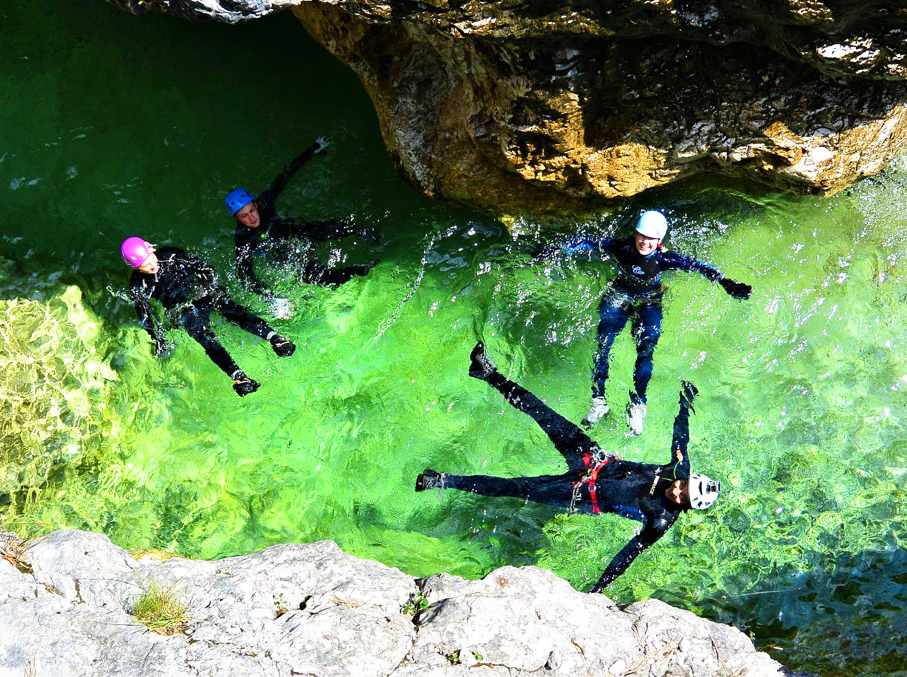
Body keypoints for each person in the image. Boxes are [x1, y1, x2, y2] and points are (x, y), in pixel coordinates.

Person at [416, 342, 720, 591]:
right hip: (595, 460)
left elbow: (627, 555)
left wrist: (598, 590)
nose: (678, 490)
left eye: (685, 498)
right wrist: (685, 403)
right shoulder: (677, 470)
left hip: (579, 493)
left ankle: (442, 481)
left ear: (688, 507)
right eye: (685, 486)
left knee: (515, 487)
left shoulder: (660, 521)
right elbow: (681, 436)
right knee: (545, 415)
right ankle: (488, 373)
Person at [560, 210, 752, 435]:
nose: (644, 241)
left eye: (651, 238)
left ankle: (638, 403)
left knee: (646, 347)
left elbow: (699, 266)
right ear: (634, 233)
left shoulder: (664, 259)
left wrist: (725, 282)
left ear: (660, 241)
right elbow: (590, 243)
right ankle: (598, 400)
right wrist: (558, 249)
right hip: (620, 293)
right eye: (641, 235)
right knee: (604, 343)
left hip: (649, 300)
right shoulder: (623, 248)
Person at [121, 237, 296, 397]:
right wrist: (158, 339)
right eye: (145, 265)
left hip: (203, 290)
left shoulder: (171, 255)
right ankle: (239, 377)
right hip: (183, 308)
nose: (152, 265)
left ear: (152, 250)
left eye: (151, 258)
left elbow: (204, 268)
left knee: (232, 310)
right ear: (135, 267)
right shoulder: (138, 285)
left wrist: (208, 286)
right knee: (203, 337)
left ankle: (275, 337)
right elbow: (145, 316)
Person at [225, 137, 379, 297]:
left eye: (252, 210)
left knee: (328, 229)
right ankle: (363, 269)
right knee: (320, 278)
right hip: (281, 252)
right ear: (237, 219)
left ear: (255, 204)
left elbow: (285, 175)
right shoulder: (243, 238)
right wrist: (272, 299)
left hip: (291, 230)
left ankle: (361, 230)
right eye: (244, 216)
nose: (252, 218)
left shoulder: (264, 203)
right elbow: (245, 275)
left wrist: (313, 150)